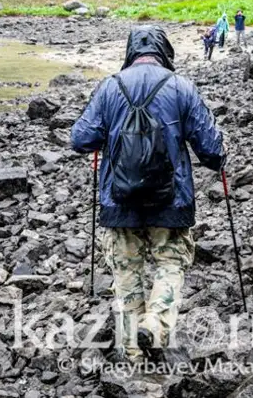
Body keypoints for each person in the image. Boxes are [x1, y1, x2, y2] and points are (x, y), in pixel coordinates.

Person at [71, 26, 225, 363]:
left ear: (130, 52)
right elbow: (212, 152)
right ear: (164, 51)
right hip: (171, 201)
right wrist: (220, 155)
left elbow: (81, 139)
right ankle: (154, 325)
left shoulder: (110, 87)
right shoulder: (182, 87)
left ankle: (133, 355)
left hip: (119, 201)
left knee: (127, 273)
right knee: (170, 263)